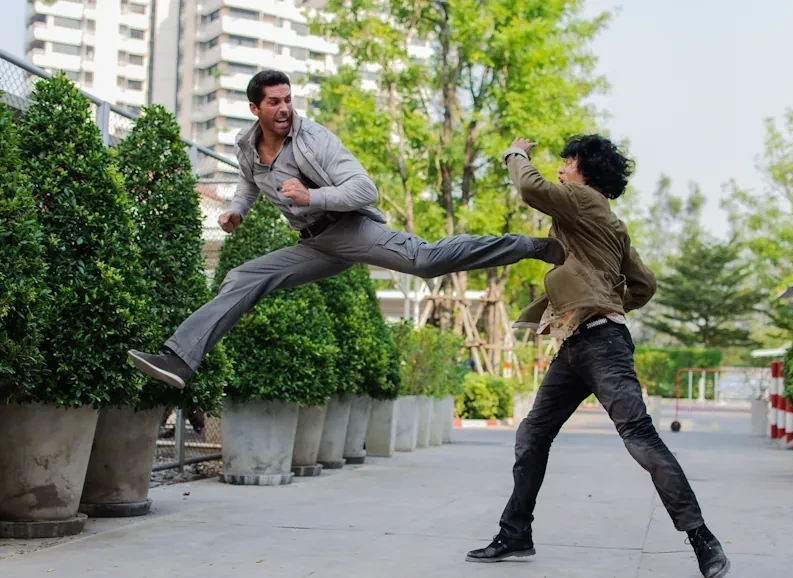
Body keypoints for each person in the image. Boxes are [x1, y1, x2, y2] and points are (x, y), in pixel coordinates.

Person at [127, 70, 565, 389]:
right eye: (274, 102)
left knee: (426, 261)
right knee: (243, 277)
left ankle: (530, 246)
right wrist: (237, 211)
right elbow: (248, 184)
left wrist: (311, 197)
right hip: (315, 244)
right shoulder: (247, 146)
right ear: (255, 109)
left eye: (288, 100)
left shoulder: (314, 139)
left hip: (350, 228)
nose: (284, 109)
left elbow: (364, 189)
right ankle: (180, 359)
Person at [465, 135, 730, 578]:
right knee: (533, 433)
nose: (561, 170)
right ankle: (515, 534)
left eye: (567, 162)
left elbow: (530, 188)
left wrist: (515, 153)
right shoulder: (611, 221)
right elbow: (644, 284)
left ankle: (702, 539)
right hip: (578, 343)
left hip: (601, 345)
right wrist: (608, 300)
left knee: (639, 436)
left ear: (584, 170)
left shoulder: (581, 199)